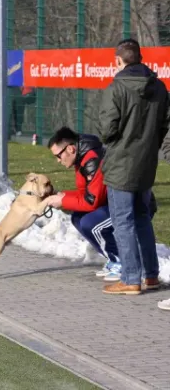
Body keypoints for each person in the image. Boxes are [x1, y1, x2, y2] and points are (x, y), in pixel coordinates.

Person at [96, 38, 170, 295]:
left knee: (123, 222)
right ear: (139, 58)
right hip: (146, 163)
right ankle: (150, 275)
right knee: (141, 219)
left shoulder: (116, 88)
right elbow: (164, 126)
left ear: (118, 61)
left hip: (121, 164)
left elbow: (107, 131)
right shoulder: (159, 87)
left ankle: (130, 278)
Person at [46, 127, 122, 281]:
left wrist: (63, 201)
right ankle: (113, 259)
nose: (58, 161)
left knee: (90, 223)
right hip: (110, 202)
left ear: (71, 149)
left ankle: (121, 262)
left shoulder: (92, 159)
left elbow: (92, 201)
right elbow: (86, 193)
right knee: (77, 218)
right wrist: (63, 195)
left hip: (129, 206)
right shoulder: (82, 159)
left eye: (58, 156)